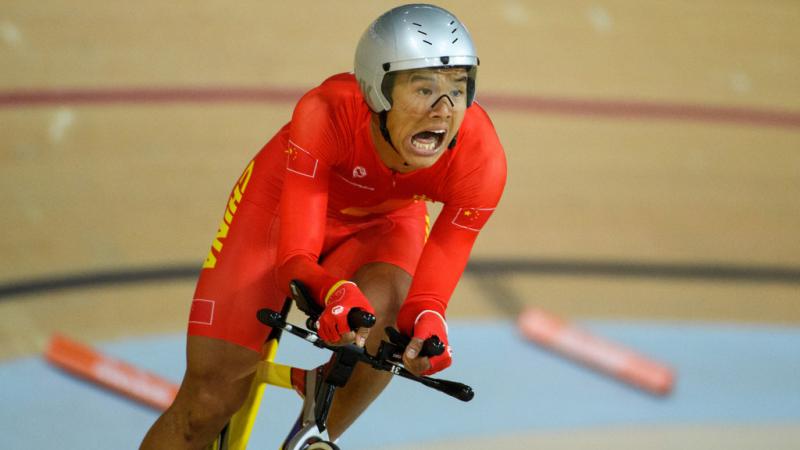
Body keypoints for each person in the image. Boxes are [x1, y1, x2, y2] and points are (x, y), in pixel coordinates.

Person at [140, 3, 506, 449]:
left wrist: (428, 321)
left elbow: (431, 294)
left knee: (389, 313)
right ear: (378, 91)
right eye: (424, 89)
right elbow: (294, 260)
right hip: (279, 208)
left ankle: (315, 431)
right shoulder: (325, 112)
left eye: (459, 89)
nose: (443, 110)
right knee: (206, 404)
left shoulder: (480, 158)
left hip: (386, 218)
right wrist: (330, 290)